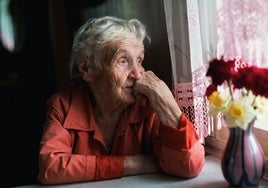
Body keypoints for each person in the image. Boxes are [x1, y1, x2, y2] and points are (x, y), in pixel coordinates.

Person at [38, 16, 205, 185]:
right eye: (123, 61)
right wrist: (134, 164)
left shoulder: (146, 104)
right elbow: (50, 168)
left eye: (139, 61)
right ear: (87, 69)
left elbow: (190, 165)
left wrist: (165, 100)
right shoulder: (63, 105)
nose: (138, 74)